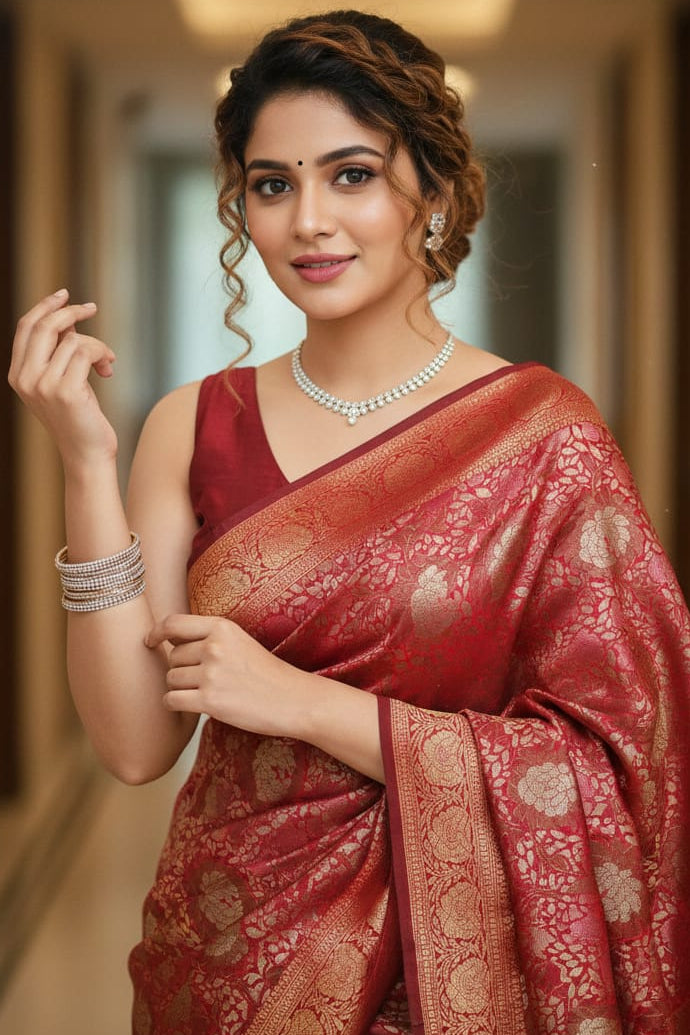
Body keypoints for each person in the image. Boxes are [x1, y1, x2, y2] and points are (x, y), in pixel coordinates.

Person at [8, 9, 690, 1034]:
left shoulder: (546, 438)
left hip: (448, 984)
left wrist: (298, 702)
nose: (309, 221)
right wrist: (85, 463)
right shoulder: (192, 425)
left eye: (353, 174)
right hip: (227, 964)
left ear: (437, 192)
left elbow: (617, 761)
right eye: (273, 184)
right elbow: (137, 745)